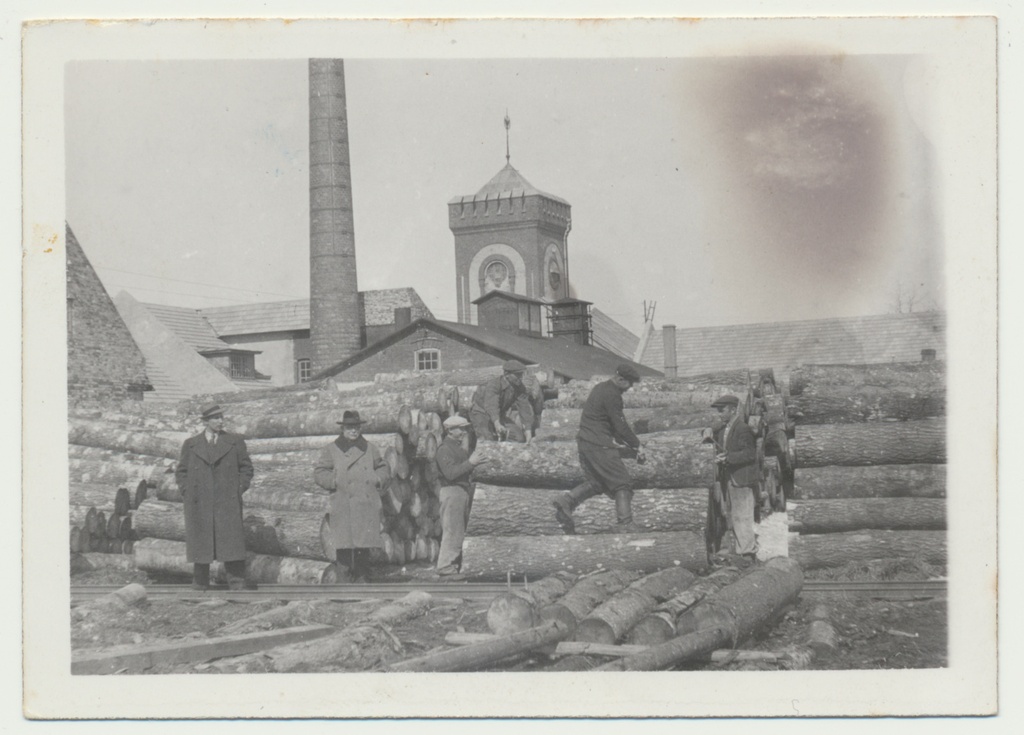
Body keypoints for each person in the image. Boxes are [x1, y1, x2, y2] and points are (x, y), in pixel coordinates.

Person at [552, 364, 647, 534]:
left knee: (597, 483)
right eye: (630, 383)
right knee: (622, 482)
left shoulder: (600, 388)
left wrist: (619, 440)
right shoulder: (613, 394)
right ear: (620, 379)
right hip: (599, 444)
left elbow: (606, 421)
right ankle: (625, 524)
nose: (630, 388)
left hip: (585, 442)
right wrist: (637, 445)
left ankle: (567, 500)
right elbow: (620, 425)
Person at [175, 403, 255, 590]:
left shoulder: (234, 441)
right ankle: (200, 583)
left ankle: (237, 584)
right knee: (201, 542)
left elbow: (247, 468)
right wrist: (188, 491)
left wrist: (238, 488)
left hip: (227, 501)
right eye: (215, 418)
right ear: (205, 421)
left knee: (231, 542)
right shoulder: (191, 444)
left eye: (221, 417)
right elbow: (181, 472)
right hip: (199, 501)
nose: (220, 421)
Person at [314, 410, 391, 582]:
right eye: (349, 427)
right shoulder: (332, 449)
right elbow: (319, 472)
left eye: (356, 427)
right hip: (343, 503)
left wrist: (377, 479)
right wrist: (334, 481)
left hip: (365, 502)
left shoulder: (370, 448)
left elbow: (383, 467)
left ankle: (362, 583)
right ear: (342, 429)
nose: (353, 431)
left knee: (363, 545)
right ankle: (344, 585)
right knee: (344, 546)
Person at [433, 414, 491, 578]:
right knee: (452, 529)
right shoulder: (444, 449)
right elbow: (450, 473)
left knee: (458, 529)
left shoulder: (458, 448)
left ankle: (453, 565)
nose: (464, 431)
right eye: (461, 428)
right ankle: (445, 566)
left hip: (460, 491)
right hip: (451, 491)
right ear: (451, 431)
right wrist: (471, 463)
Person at [709, 394, 760, 567]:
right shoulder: (725, 429)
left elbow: (750, 454)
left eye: (722, 411)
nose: (720, 414)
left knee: (743, 516)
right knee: (730, 516)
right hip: (729, 479)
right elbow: (713, 434)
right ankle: (733, 552)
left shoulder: (743, 429)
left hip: (741, 479)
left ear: (733, 409)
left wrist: (728, 457)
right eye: (718, 411)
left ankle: (747, 554)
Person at [469, 360, 535, 443]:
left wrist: (528, 430)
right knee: (487, 440)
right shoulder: (494, 384)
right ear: (506, 374)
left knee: (519, 438)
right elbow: (491, 405)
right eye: (517, 375)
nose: (520, 377)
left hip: (499, 414)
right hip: (481, 413)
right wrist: (497, 424)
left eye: (521, 374)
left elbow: (524, 408)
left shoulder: (519, 387)